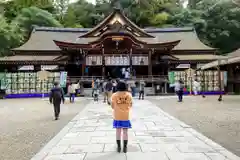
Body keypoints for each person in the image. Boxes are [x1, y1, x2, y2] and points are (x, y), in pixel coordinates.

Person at [111, 81, 132, 153]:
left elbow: (112, 106)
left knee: (118, 132)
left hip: (117, 116)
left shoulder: (114, 95)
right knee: (125, 132)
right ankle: (125, 147)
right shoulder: (129, 95)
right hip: (126, 116)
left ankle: (119, 147)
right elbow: (130, 105)